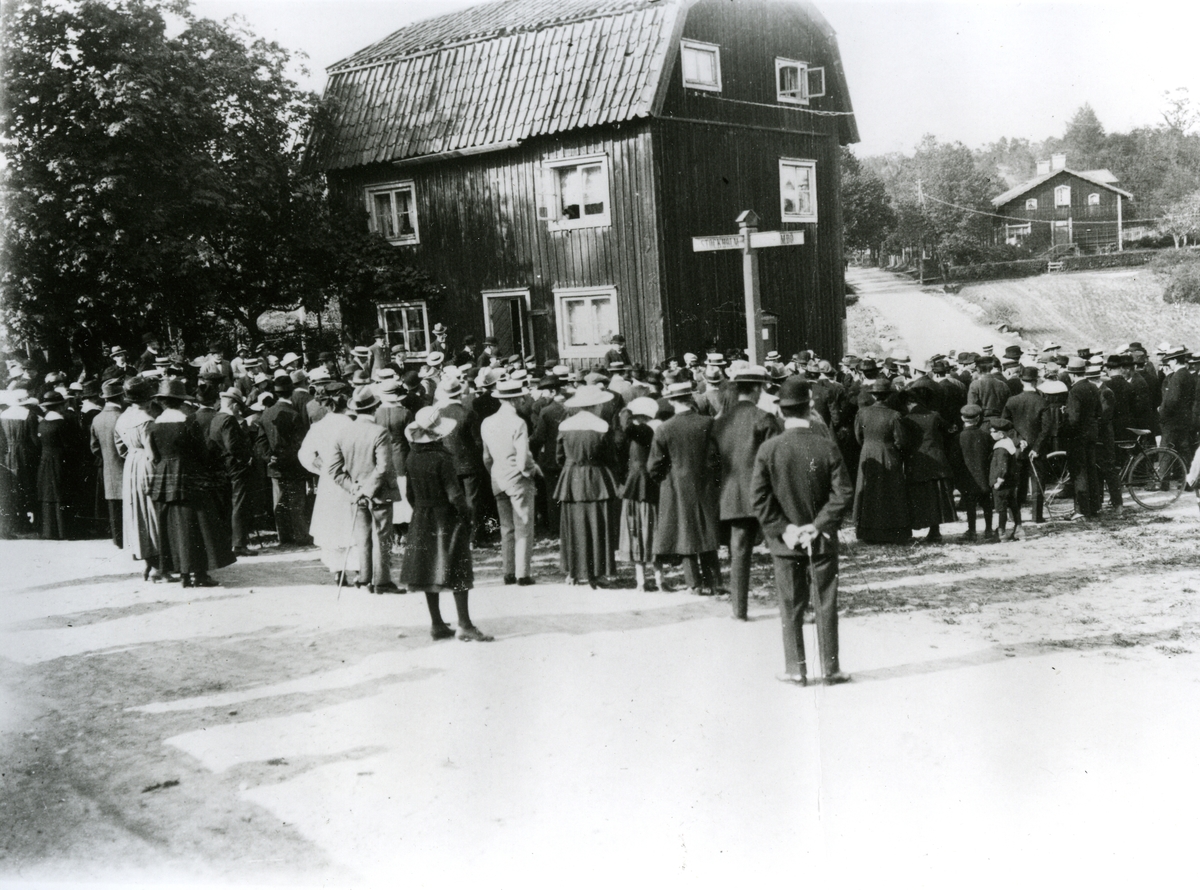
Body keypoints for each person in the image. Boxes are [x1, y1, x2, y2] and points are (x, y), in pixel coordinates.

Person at [752, 378, 854, 686]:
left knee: (790, 606)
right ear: (810, 408)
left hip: (785, 543)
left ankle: (795, 670)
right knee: (826, 604)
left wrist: (784, 529)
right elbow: (843, 492)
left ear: (781, 411)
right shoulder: (826, 446)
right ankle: (830, 669)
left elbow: (759, 498)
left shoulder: (768, 449)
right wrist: (818, 525)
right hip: (821, 540)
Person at [401, 407, 492, 641]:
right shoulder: (443, 458)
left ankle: (437, 624)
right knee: (458, 566)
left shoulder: (411, 457)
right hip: (446, 517)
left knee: (428, 570)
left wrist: (422, 510)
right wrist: (467, 514)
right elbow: (455, 495)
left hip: (422, 516)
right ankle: (465, 624)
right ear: (437, 433)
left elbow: (409, 494)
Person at [147, 378, 235, 587]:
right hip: (190, 474)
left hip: (164, 477)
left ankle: (181, 572)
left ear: (162, 401)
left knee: (172, 525)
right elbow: (201, 452)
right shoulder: (188, 422)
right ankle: (199, 574)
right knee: (197, 524)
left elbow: (154, 455)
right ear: (181, 401)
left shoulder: (154, 425)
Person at [712, 365, 781, 619]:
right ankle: (793, 607)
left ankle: (739, 610)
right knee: (781, 551)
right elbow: (777, 459)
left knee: (739, 552)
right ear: (756, 388)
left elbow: (713, 462)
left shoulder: (719, 422)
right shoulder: (764, 418)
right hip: (765, 495)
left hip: (733, 495)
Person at [647, 380, 722, 596]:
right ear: (691, 399)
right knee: (706, 530)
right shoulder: (708, 423)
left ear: (671, 402)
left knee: (685, 533)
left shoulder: (664, 428)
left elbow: (653, 466)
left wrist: (665, 479)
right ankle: (714, 582)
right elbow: (717, 456)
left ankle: (694, 583)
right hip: (705, 484)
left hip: (675, 486)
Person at [328, 387, 402, 593]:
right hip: (379, 493)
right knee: (382, 537)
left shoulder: (343, 433)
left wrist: (354, 487)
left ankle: (365, 578)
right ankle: (382, 582)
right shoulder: (380, 432)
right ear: (374, 408)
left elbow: (333, 469)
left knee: (363, 538)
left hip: (356, 493)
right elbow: (383, 467)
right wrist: (367, 490)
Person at [554, 384, 620, 587]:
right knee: (598, 525)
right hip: (597, 479)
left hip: (571, 480)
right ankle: (598, 572)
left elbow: (559, 457)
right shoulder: (602, 426)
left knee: (574, 526)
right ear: (596, 406)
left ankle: (573, 572)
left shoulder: (565, 426)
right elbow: (611, 458)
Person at [481, 378, 538, 585]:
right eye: (521, 396)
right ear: (514, 399)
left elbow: (486, 457)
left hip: (498, 477)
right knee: (523, 526)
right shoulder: (518, 423)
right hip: (518, 478)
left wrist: (495, 473)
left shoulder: (487, 422)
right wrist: (531, 471)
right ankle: (523, 574)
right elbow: (523, 458)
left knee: (506, 528)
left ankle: (508, 572)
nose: (523, 400)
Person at [298, 387, 357, 580]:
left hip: (329, 481)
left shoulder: (318, 427)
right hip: (350, 478)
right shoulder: (352, 424)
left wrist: (321, 469)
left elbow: (305, 455)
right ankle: (358, 569)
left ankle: (338, 570)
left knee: (332, 523)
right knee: (352, 521)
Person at [114, 376, 165, 579]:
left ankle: (147, 561)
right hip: (146, 464)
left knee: (138, 512)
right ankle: (160, 565)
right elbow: (153, 453)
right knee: (153, 511)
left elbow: (120, 448)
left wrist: (133, 455)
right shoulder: (147, 421)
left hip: (131, 465)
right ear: (148, 400)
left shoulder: (122, 419)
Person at [853, 378, 910, 544]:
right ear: (889, 396)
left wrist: (868, 445)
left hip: (868, 452)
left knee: (869, 490)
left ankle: (868, 531)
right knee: (890, 490)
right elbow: (901, 440)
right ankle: (892, 531)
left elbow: (858, 436)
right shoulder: (894, 415)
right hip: (888, 452)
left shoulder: (862, 413)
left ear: (874, 395)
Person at [616, 397, 665, 592]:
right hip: (647, 486)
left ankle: (642, 580)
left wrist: (625, 412)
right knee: (650, 530)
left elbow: (627, 429)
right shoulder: (654, 429)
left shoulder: (645, 430)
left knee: (637, 530)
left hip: (637, 485)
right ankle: (656, 579)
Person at [259, 376, 313, 546]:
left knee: (279, 501)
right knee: (296, 502)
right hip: (293, 465)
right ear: (292, 392)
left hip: (274, 466)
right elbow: (299, 443)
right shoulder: (294, 414)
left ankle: (284, 537)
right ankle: (301, 536)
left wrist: (270, 457)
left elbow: (261, 442)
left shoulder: (266, 414)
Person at [902, 384, 957, 544]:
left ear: (909, 402)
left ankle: (921, 529)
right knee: (936, 496)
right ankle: (935, 531)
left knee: (921, 496)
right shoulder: (934, 415)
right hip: (937, 460)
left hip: (917, 462)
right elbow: (950, 430)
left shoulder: (906, 419)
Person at [208, 388, 257, 557]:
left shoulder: (216, 418)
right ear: (235, 405)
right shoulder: (229, 419)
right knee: (240, 504)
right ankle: (239, 544)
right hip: (236, 466)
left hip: (223, 465)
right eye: (239, 407)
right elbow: (233, 445)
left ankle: (230, 542)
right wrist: (246, 459)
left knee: (229, 504)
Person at [36, 390, 77, 539]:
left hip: (45, 461)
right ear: (60, 406)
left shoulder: (42, 424)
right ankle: (64, 530)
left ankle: (49, 530)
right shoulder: (62, 423)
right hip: (60, 461)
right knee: (61, 492)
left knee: (48, 493)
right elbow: (69, 446)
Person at [90, 378, 126, 547]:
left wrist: (108, 456)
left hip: (108, 468)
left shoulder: (97, 418)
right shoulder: (122, 417)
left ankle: (118, 540)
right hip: (125, 467)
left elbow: (94, 447)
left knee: (114, 506)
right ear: (121, 397)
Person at [952, 404, 994, 541]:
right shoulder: (986, 436)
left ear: (962, 418)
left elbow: (955, 461)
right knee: (987, 504)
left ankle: (972, 531)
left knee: (970, 506)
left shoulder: (958, 437)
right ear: (978, 418)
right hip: (984, 477)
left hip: (968, 479)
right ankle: (989, 530)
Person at [989, 418, 1022, 542]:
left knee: (1001, 508)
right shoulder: (1008, 443)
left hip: (1001, 484)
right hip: (1011, 483)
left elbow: (1002, 467)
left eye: (993, 431)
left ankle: (1001, 533)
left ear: (1001, 434)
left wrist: (999, 481)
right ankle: (1019, 529)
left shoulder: (1001, 448)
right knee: (1013, 505)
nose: (991, 433)